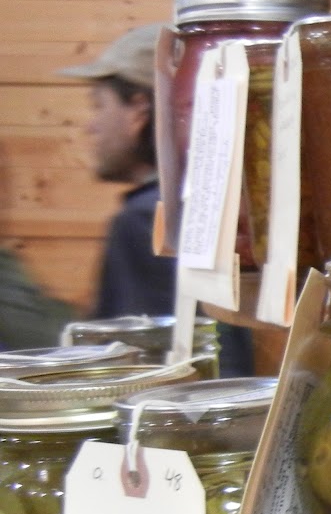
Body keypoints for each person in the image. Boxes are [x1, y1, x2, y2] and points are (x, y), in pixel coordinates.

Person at [59, 26, 252, 375]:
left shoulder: (147, 220)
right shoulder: (220, 206)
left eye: (98, 105)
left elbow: (133, 374)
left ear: (138, 110)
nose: (92, 126)